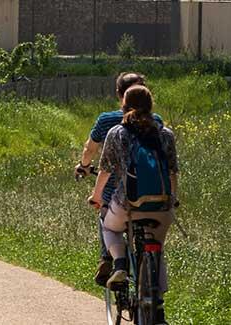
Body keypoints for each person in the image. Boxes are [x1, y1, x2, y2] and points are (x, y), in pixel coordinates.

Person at [89, 85, 178, 322]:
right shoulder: (165, 133)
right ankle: (157, 308)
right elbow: (172, 172)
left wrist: (97, 198)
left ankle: (119, 264)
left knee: (109, 227)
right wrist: (171, 201)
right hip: (161, 206)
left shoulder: (118, 133)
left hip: (127, 203)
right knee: (156, 248)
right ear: (151, 105)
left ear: (123, 104)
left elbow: (106, 171)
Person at [78, 72, 160, 286]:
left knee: (105, 215)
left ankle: (110, 258)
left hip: (119, 194)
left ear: (119, 95)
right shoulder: (157, 122)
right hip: (154, 194)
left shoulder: (109, 123)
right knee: (156, 246)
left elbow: (91, 149)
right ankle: (156, 304)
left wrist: (84, 166)